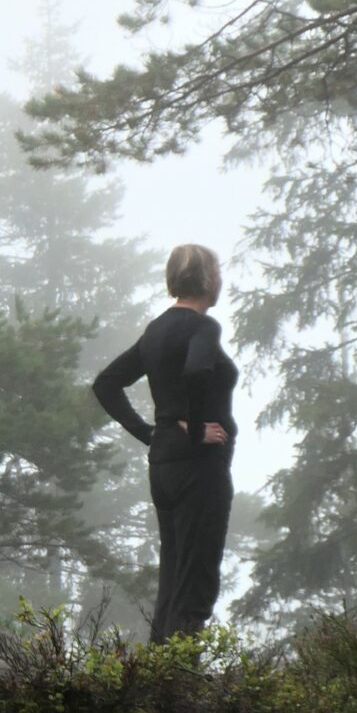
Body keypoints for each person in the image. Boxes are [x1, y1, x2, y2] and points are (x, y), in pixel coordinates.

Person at [93, 243, 237, 641]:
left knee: (174, 577)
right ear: (208, 279)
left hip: (165, 467)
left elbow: (107, 383)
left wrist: (154, 434)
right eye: (218, 273)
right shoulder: (204, 327)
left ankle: (159, 682)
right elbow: (196, 372)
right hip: (200, 468)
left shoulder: (156, 330)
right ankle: (179, 685)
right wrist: (193, 430)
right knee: (197, 582)